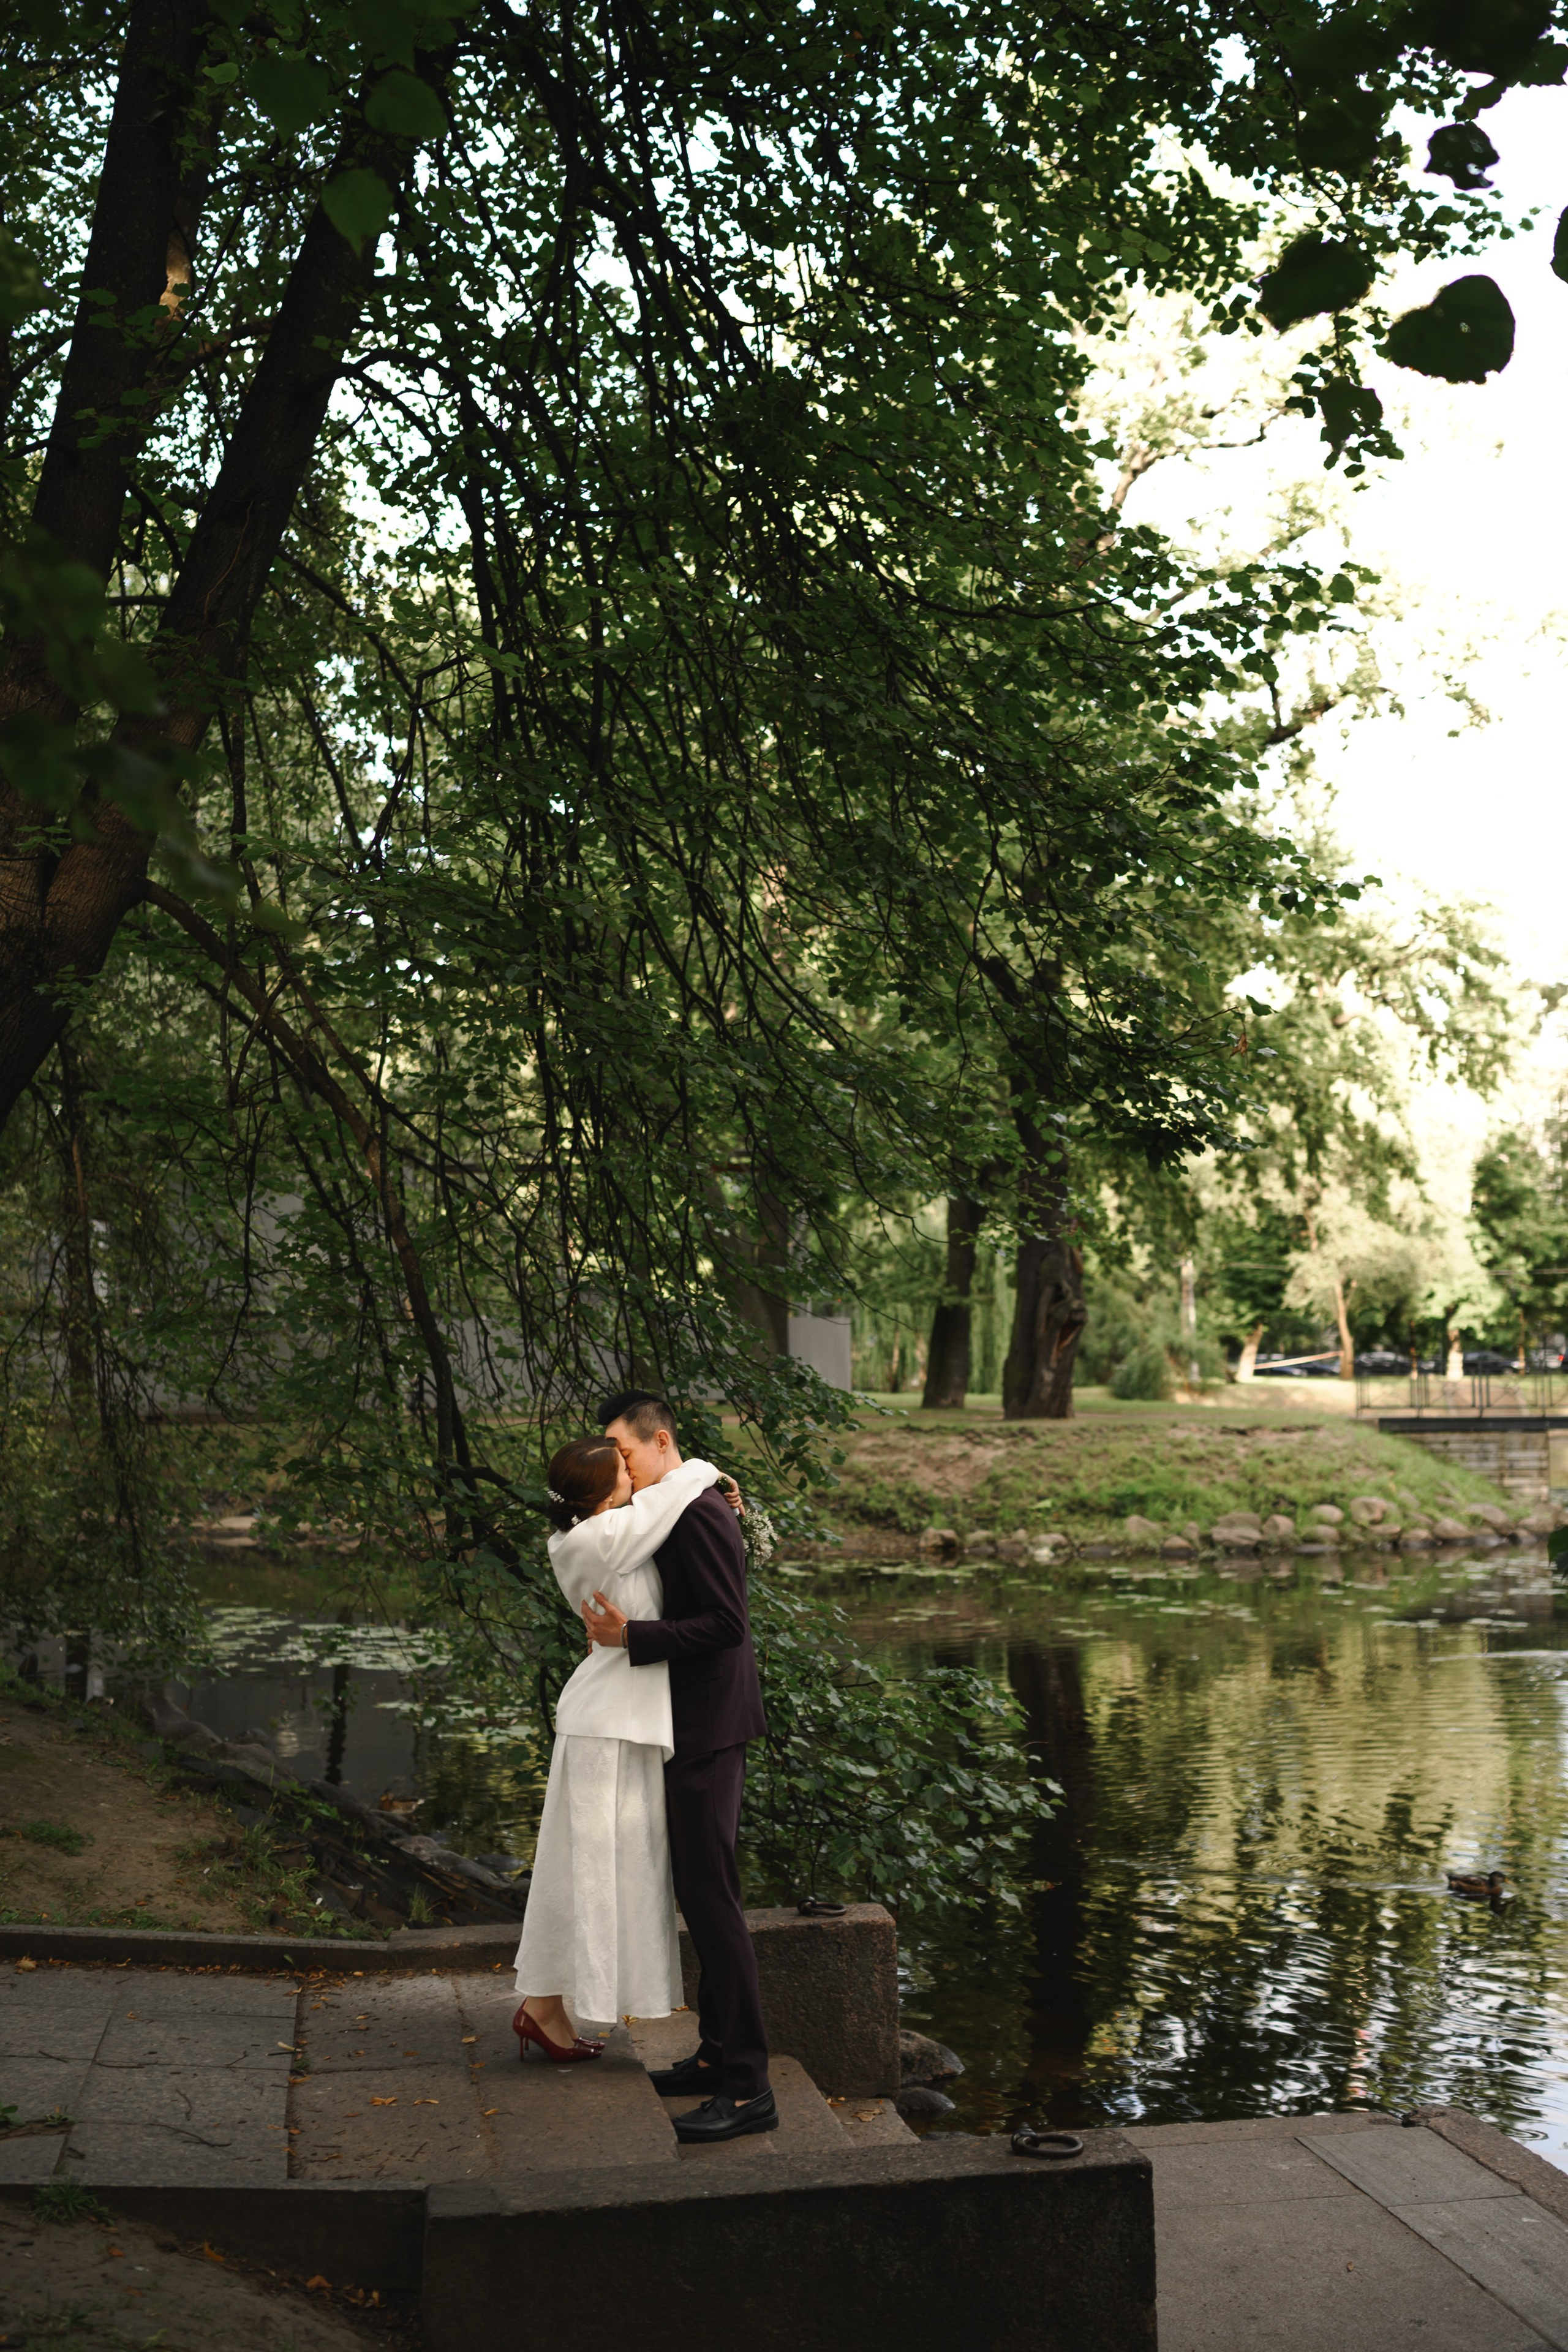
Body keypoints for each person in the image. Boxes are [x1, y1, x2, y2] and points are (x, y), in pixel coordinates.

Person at [583, 1390, 775, 2144]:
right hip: (688, 1723)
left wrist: (632, 1637)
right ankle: (716, 2055)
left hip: (710, 1725)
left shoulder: (696, 1510)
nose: (617, 1464)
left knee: (713, 1901)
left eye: (624, 1451)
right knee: (700, 1895)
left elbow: (728, 1623)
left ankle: (749, 2087)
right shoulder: (679, 1499)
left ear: (660, 1442)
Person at [511, 1434, 726, 2061]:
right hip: (608, 1722)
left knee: (591, 1863)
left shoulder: (593, 1534)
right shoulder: (600, 1537)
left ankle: (544, 2005)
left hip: (619, 1718)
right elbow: (672, 1496)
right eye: (623, 1471)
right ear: (604, 1495)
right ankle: (543, 2006)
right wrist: (708, 1469)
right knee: (587, 1865)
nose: (634, 1474)